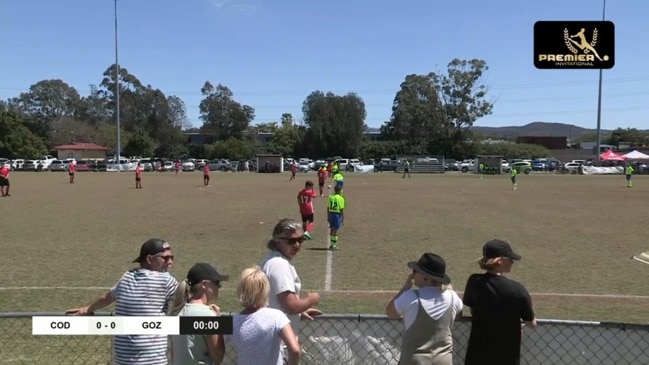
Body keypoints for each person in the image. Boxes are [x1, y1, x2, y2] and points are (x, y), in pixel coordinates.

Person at [66, 239, 179, 365]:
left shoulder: (127, 276)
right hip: (153, 359)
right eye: (165, 258)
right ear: (149, 259)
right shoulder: (165, 280)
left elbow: (106, 298)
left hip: (122, 358)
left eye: (172, 258)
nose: (170, 262)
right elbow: (189, 301)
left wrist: (88, 309)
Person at [463, 239, 537, 365]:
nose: (512, 262)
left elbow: (472, 307)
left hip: (477, 355)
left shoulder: (474, 282)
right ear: (501, 261)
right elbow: (531, 323)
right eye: (510, 259)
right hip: (506, 356)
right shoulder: (517, 289)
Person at [386, 253, 463, 365]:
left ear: (425, 277)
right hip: (443, 360)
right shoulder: (452, 297)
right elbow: (458, 315)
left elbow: (390, 313)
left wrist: (405, 288)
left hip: (414, 360)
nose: (413, 275)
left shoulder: (410, 297)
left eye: (415, 272)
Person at [261, 219, 321, 360]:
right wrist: (312, 299)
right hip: (277, 347)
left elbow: (279, 302)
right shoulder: (279, 265)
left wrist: (301, 310)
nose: (297, 245)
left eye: (301, 239)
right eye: (291, 241)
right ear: (278, 241)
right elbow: (291, 306)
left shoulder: (273, 261)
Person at [229, 266, 301, 365]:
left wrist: (214, 315)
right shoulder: (277, 316)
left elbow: (216, 346)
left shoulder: (232, 322)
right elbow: (295, 350)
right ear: (264, 289)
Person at [170, 263, 228, 365]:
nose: (219, 286)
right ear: (204, 285)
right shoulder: (208, 316)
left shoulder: (178, 312)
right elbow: (219, 356)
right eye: (216, 282)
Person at [327, 185, 345, 250]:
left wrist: (328, 216)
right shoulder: (341, 198)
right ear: (340, 191)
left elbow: (328, 208)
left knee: (332, 229)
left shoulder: (330, 197)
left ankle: (331, 244)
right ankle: (334, 245)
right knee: (335, 230)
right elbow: (341, 209)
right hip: (337, 215)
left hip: (331, 214)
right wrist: (343, 218)